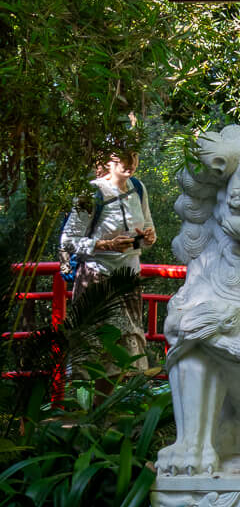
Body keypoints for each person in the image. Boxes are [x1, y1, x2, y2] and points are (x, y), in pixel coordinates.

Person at [59, 150, 157, 369]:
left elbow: (149, 228)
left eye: (134, 155)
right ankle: (86, 403)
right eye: (123, 157)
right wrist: (104, 245)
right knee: (91, 349)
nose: (130, 162)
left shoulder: (138, 188)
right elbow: (68, 240)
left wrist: (148, 237)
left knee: (127, 349)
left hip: (129, 279)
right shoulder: (91, 192)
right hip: (96, 277)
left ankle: (115, 402)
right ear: (107, 160)